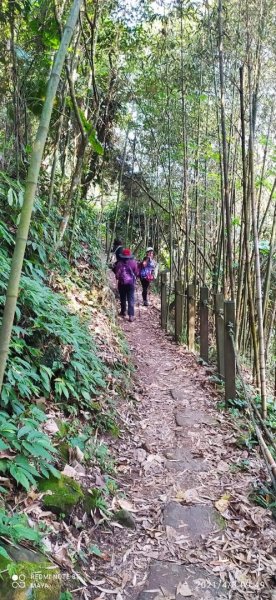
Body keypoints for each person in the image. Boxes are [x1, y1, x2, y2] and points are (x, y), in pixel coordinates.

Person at [115, 248, 139, 322]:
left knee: (122, 298)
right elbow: (136, 273)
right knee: (131, 298)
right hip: (131, 284)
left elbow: (117, 276)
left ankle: (123, 311)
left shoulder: (119, 263)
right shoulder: (134, 263)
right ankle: (131, 315)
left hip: (121, 284)